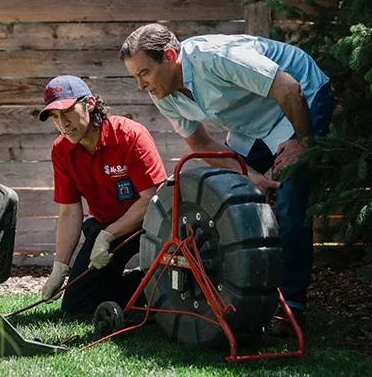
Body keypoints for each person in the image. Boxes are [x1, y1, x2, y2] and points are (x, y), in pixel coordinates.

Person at [119, 24, 333, 336]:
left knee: (288, 202)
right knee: (227, 193)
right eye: (134, 77)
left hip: (301, 98)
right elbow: (202, 145)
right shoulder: (163, 92)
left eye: (144, 73)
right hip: (251, 126)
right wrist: (252, 176)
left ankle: (292, 308)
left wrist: (302, 143)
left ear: (168, 56)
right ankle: (237, 297)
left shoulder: (217, 57)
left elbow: (289, 89)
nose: (141, 85)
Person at [38, 75, 167, 315]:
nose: (63, 123)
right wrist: (59, 267)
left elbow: (151, 197)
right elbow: (69, 210)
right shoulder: (61, 150)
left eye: (67, 111)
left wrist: (108, 236)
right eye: (55, 117)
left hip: (152, 225)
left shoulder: (129, 135)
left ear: (89, 103)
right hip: (105, 228)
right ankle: (145, 283)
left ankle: (158, 282)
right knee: (78, 306)